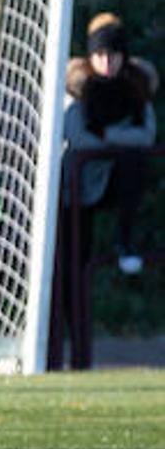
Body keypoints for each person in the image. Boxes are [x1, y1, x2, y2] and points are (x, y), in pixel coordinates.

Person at [63, 23, 156, 275]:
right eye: (99, 55)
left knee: (133, 160)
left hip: (115, 181)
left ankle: (125, 243)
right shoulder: (78, 90)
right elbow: (79, 138)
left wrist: (106, 135)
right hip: (77, 186)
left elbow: (146, 135)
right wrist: (123, 139)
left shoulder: (137, 86)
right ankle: (66, 311)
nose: (106, 62)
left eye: (113, 55)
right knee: (73, 257)